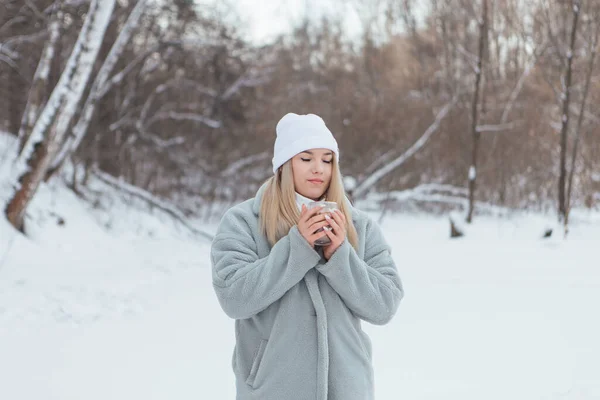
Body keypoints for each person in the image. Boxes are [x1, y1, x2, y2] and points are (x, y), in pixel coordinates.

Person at [211, 112, 404, 400]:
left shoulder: (358, 226)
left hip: (348, 389)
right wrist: (297, 248)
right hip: (272, 390)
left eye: (327, 159)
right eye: (306, 158)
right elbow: (235, 297)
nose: (319, 169)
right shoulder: (243, 222)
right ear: (285, 164)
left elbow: (385, 304)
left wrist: (341, 257)